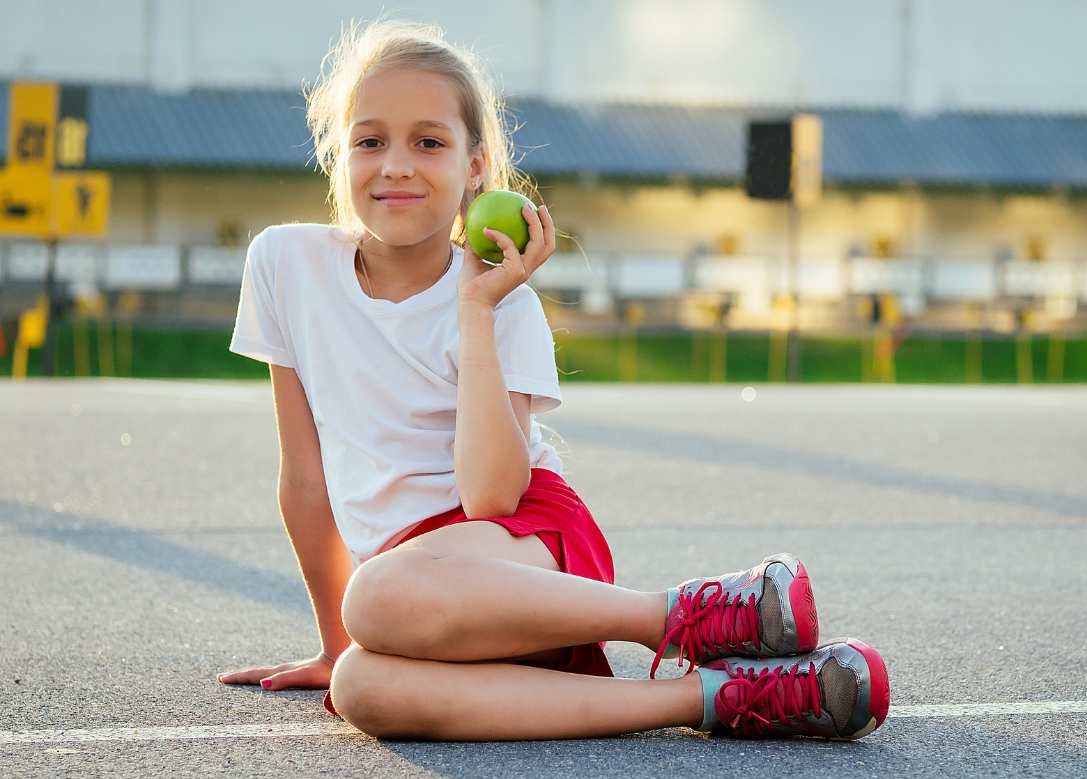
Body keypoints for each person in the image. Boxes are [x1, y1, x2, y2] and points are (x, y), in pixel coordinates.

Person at [217, 18, 890, 742]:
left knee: (376, 598)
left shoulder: (507, 304)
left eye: (429, 142)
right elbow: (305, 479)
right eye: (369, 140)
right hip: (417, 598)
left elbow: (491, 495)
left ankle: (681, 614)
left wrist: (475, 310)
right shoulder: (285, 266)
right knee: (362, 685)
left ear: (476, 165)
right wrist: (333, 644)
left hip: (525, 543)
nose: (397, 164)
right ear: (337, 156)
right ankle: (721, 697)